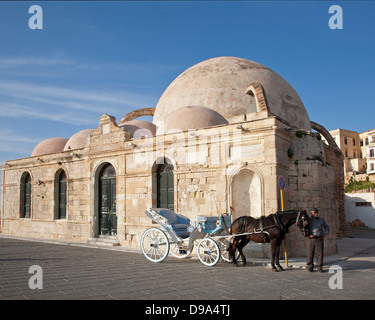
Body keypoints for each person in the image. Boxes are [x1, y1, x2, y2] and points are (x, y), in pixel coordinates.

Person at [306, 207, 330, 272]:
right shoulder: (308, 220)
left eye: (316, 212)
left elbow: (326, 227)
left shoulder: (321, 220)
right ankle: (310, 266)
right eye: (314, 212)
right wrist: (308, 234)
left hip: (319, 238)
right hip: (311, 239)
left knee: (319, 254)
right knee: (310, 253)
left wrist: (325, 234)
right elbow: (304, 229)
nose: (316, 214)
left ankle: (320, 267)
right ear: (311, 213)